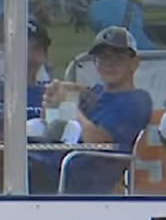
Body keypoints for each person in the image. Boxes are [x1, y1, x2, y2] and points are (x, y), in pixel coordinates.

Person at [30, 27, 153, 194]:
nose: (109, 64)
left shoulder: (136, 100)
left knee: (12, 163)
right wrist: (52, 101)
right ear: (95, 63)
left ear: (134, 63)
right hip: (56, 164)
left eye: (118, 57)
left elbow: (97, 142)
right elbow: (50, 125)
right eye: (103, 58)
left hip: (82, 177)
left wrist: (70, 105)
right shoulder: (96, 94)